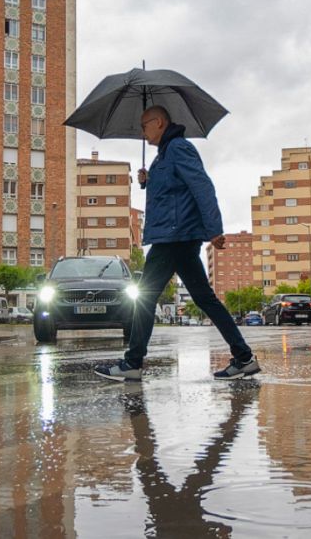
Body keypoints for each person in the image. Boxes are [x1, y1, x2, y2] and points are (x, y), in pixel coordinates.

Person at [95, 106, 258, 382]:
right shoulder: (165, 154)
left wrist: (215, 229)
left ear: (158, 122)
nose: (143, 133)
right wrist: (148, 180)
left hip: (174, 236)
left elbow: (202, 186)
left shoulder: (179, 148)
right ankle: (244, 358)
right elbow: (172, 192)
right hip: (177, 236)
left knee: (145, 296)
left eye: (144, 126)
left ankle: (132, 362)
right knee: (205, 299)